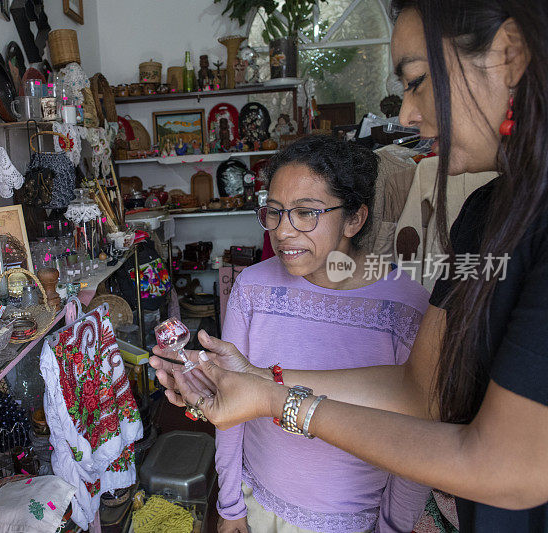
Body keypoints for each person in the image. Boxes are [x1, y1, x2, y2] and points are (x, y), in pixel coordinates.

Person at [151, 1, 548, 531]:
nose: (406, 114)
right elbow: (417, 391)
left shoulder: (408, 294)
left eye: (417, 80)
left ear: (510, 53)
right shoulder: (486, 214)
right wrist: (254, 380)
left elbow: (505, 465)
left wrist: (275, 398)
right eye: (274, 211)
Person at [215, 136, 431, 533]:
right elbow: (229, 408)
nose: (283, 231)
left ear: (354, 219)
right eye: (276, 213)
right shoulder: (252, 288)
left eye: (306, 213)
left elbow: (419, 439)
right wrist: (231, 508)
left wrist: (392, 527)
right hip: (258, 503)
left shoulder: (407, 307)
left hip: (353, 522)